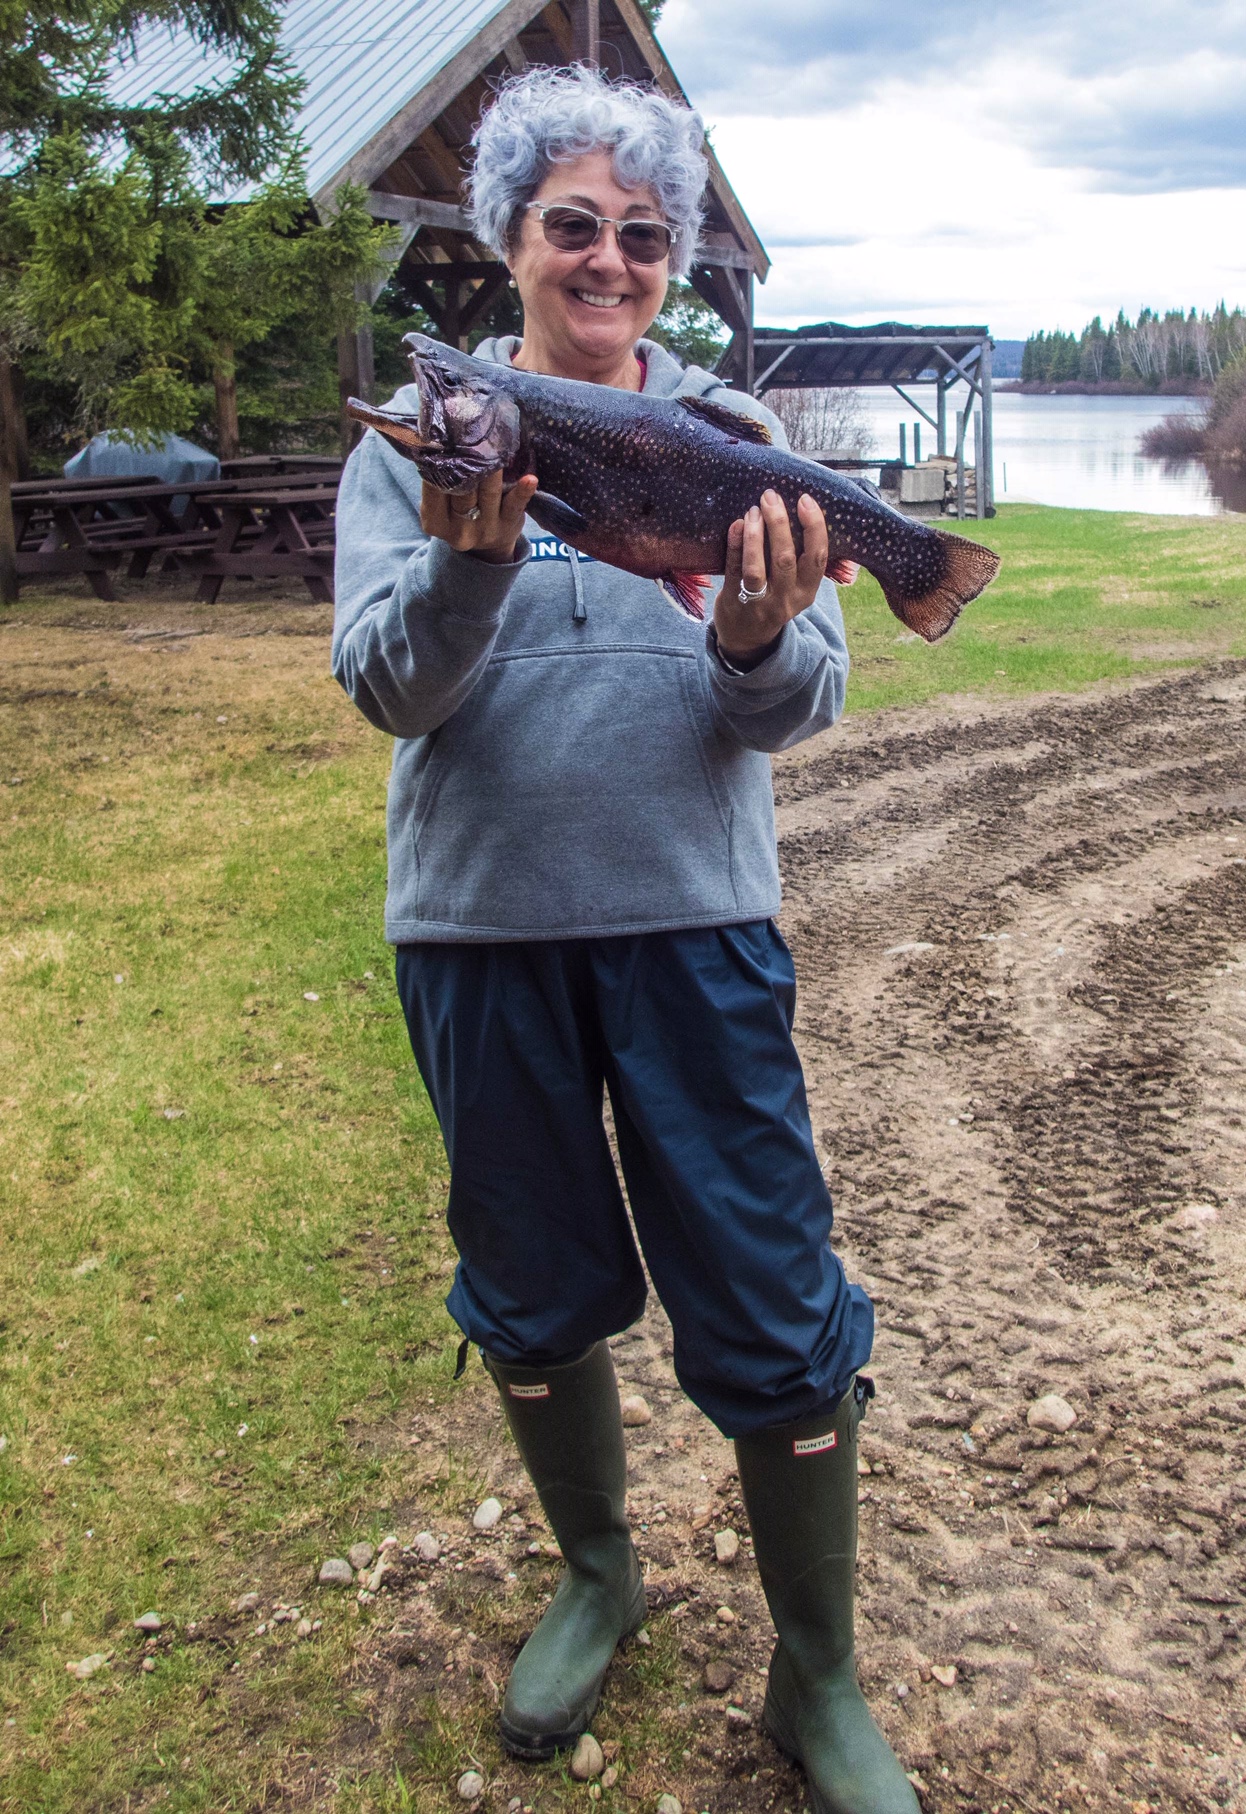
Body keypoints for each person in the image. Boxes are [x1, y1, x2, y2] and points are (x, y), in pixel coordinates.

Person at [333, 64, 919, 1814]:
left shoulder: (737, 439)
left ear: (673, 263)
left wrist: (754, 632)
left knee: (770, 1289)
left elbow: (796, 707)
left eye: (644, 236)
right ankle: (599, 1574)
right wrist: (467, 561)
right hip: (479, 927)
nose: (609, 259)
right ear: (509, 239)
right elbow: (386, 688)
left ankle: (819, 1673)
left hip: (696, 926)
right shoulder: (433, 431)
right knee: (529, 1280)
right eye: (573, 225)